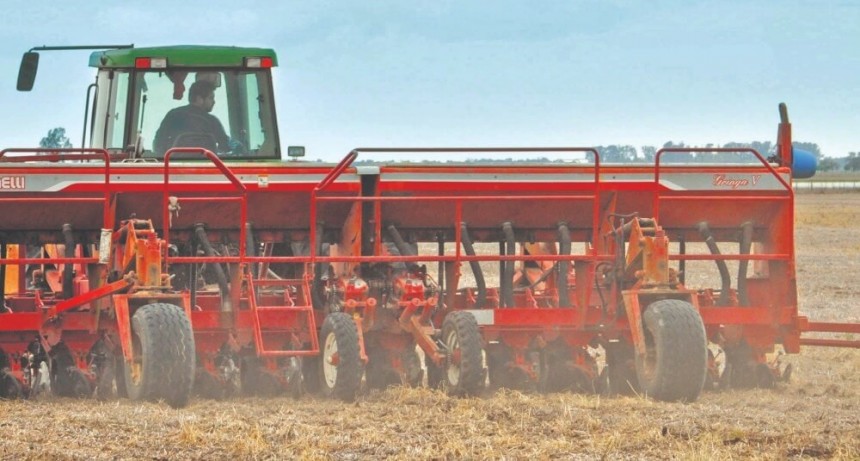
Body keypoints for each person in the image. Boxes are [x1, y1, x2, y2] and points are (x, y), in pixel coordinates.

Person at [153, 81, 230, 156]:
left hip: (174, 166)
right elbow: (225, 147)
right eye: (211, 98)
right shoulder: (212, 121)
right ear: (199, 99)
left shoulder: (173, 115)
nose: (214, 102)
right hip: (206, 166)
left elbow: (158, 143)